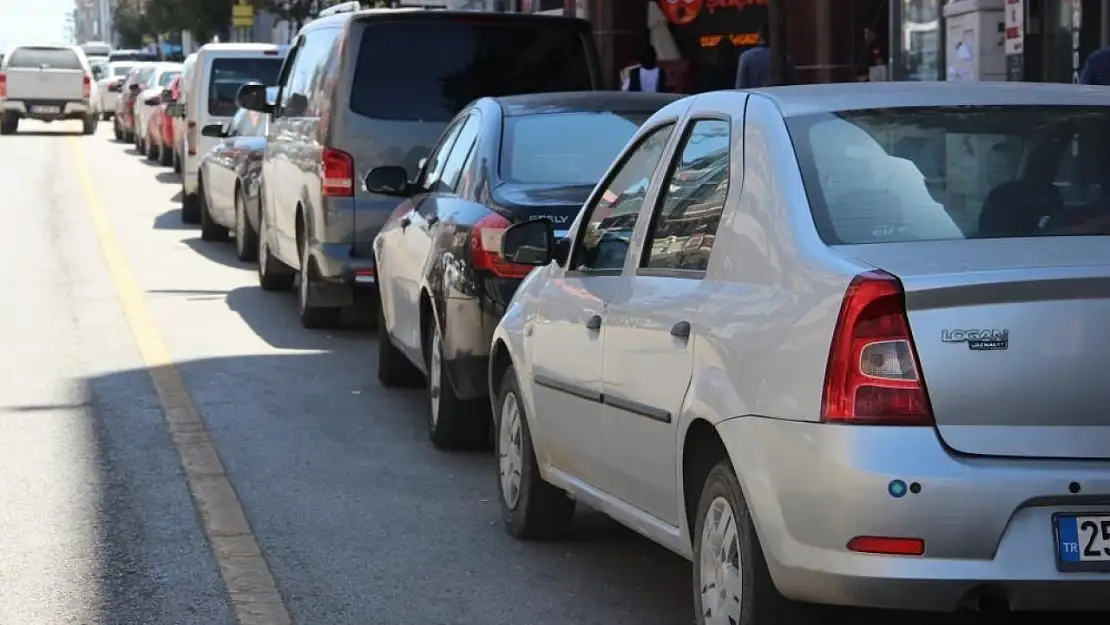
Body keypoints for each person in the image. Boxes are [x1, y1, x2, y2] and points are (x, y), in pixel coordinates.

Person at [735, 22, 794, 89]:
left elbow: (740, 87)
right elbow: (792, 85)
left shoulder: (746, 57)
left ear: (759, 36)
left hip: (754, 97)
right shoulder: (785, 57)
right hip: (777, 97)